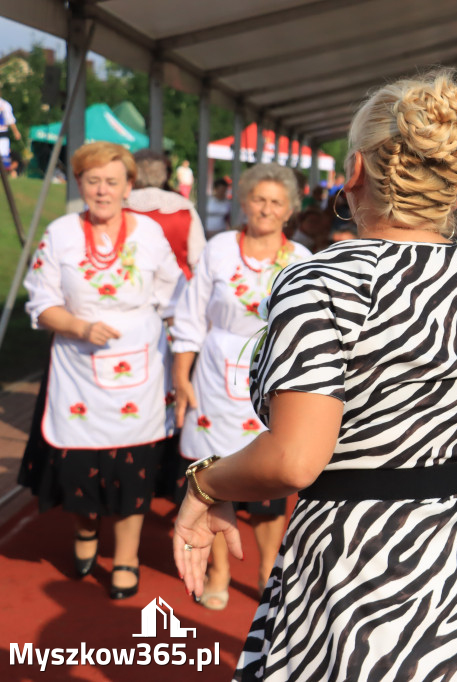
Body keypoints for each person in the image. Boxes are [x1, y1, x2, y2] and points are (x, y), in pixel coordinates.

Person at [173, 70, 457, 680]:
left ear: (353, 172)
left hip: (357, 574)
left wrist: (206, 484)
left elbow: (295, 458)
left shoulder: (322, 280)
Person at [18, 141, 181, 599]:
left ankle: (126, 556)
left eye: (112, 181)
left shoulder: (149, 234)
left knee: (134, 465)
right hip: (78, 370)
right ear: (80, 184)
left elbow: (175, 292)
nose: (103, 191)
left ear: (130, 185)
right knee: (79, 465)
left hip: (142, 369)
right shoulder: (60, 233)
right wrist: (77, 325)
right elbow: (41, 301)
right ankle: (85, 529)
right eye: (93, 181)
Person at [169, 163, 311, 610]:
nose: (266, 209)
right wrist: (180, 375)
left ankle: (268, 569)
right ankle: (219, 571)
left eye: (276, 202)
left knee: (269, 485)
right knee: (214, 477)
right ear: (244, 202)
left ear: (290, 210)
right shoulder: (218, 248)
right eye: (258, 199)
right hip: (213, 374)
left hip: (272, 379)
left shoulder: (303, 260)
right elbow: (191, 315)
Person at [126, 149, 207, 279]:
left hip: (130, 281)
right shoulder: (183, 207)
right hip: (176, 286)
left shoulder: (121, 205)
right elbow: (198, 257)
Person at [0, 82, 21, 170]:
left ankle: (4, 172)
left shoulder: (4, 105)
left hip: (2, 132)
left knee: (3, 154)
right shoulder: (4, 104)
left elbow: (9, 120)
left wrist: (16, 131)